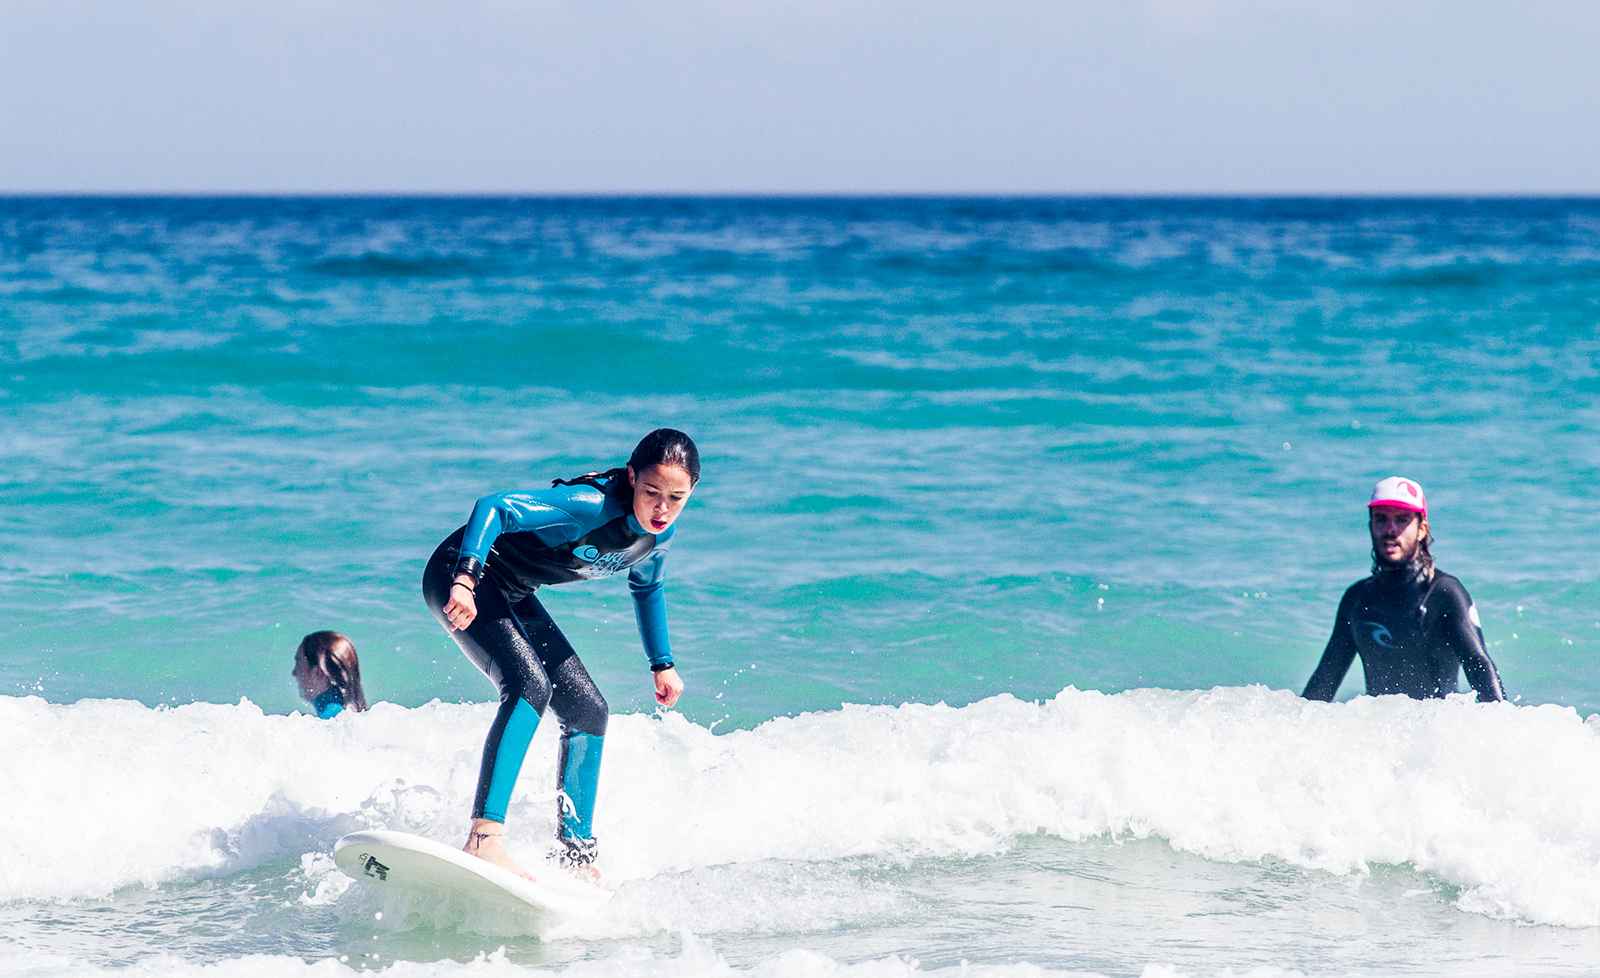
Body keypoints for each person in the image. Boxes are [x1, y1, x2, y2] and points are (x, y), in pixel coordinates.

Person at [422, 428, 699, 881]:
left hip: (510, 590)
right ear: (631, 478)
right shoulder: (591, 506)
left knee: (589, 710)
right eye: (651, 492)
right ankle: (484, 838)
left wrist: (662, 663)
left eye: (676, 497)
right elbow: (493, 506)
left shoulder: (655, 538)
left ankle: (576, 856)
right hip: (460, 577)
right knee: (529, 686)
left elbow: (648, 587)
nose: (662, 508)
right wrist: (466, 580)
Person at [1302, 476, 1505, 703]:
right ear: (1371, 526)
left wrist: (1503, 729)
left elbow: (1479, 666)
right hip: (1380, 732)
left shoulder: (1444, 593)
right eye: (1381, 519)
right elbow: (1323, 683)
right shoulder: (1357, 599)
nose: (1390, 529)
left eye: (1402, 520)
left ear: (1421, 529)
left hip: (1437, 731)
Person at [293, 631, 370, 718]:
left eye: (298, 663)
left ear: (318, 672)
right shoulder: (355, 715)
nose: (294, 673)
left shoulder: (328, 719)